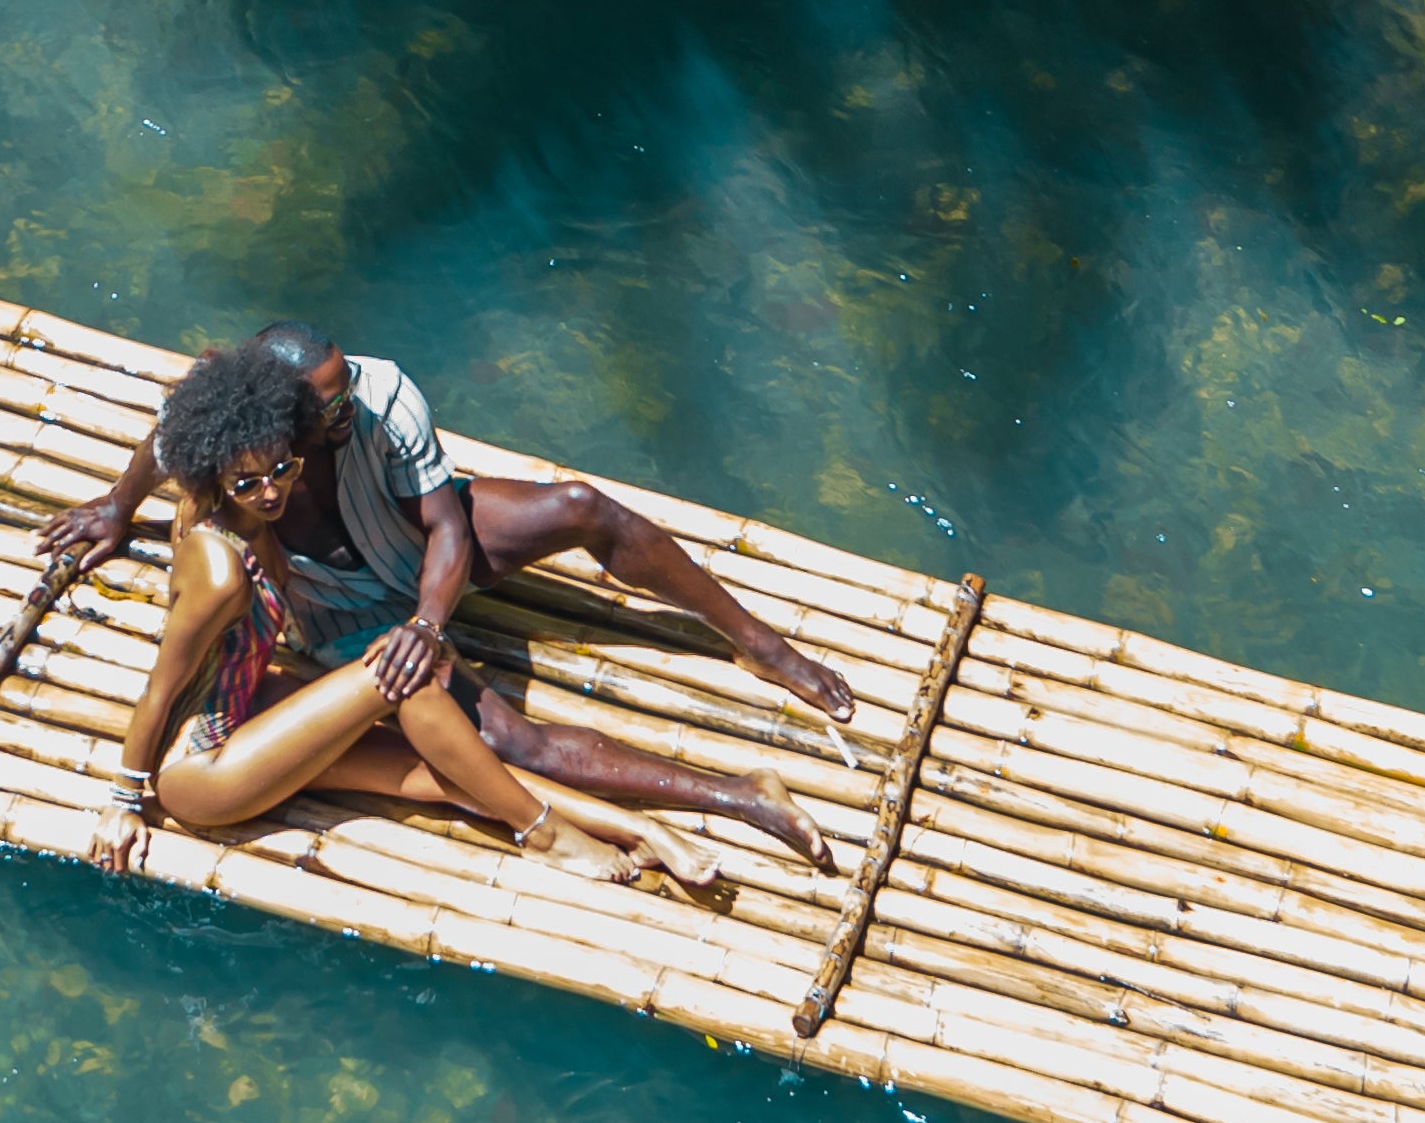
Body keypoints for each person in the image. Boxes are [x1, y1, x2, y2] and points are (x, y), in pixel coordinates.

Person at [60, 326, 849, 878]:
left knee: (574, 514)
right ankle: (710, 804)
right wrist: (117, 507)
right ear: (275, 419)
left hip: (409, 570)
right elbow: (168, 452)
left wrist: (427, 624)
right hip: (286, 671)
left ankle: (752, 659)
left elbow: (444, 523)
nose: (347, 406)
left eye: (346, 392)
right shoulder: (239, 480)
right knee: (479, 732)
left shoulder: (367, 399)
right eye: (325, 407)